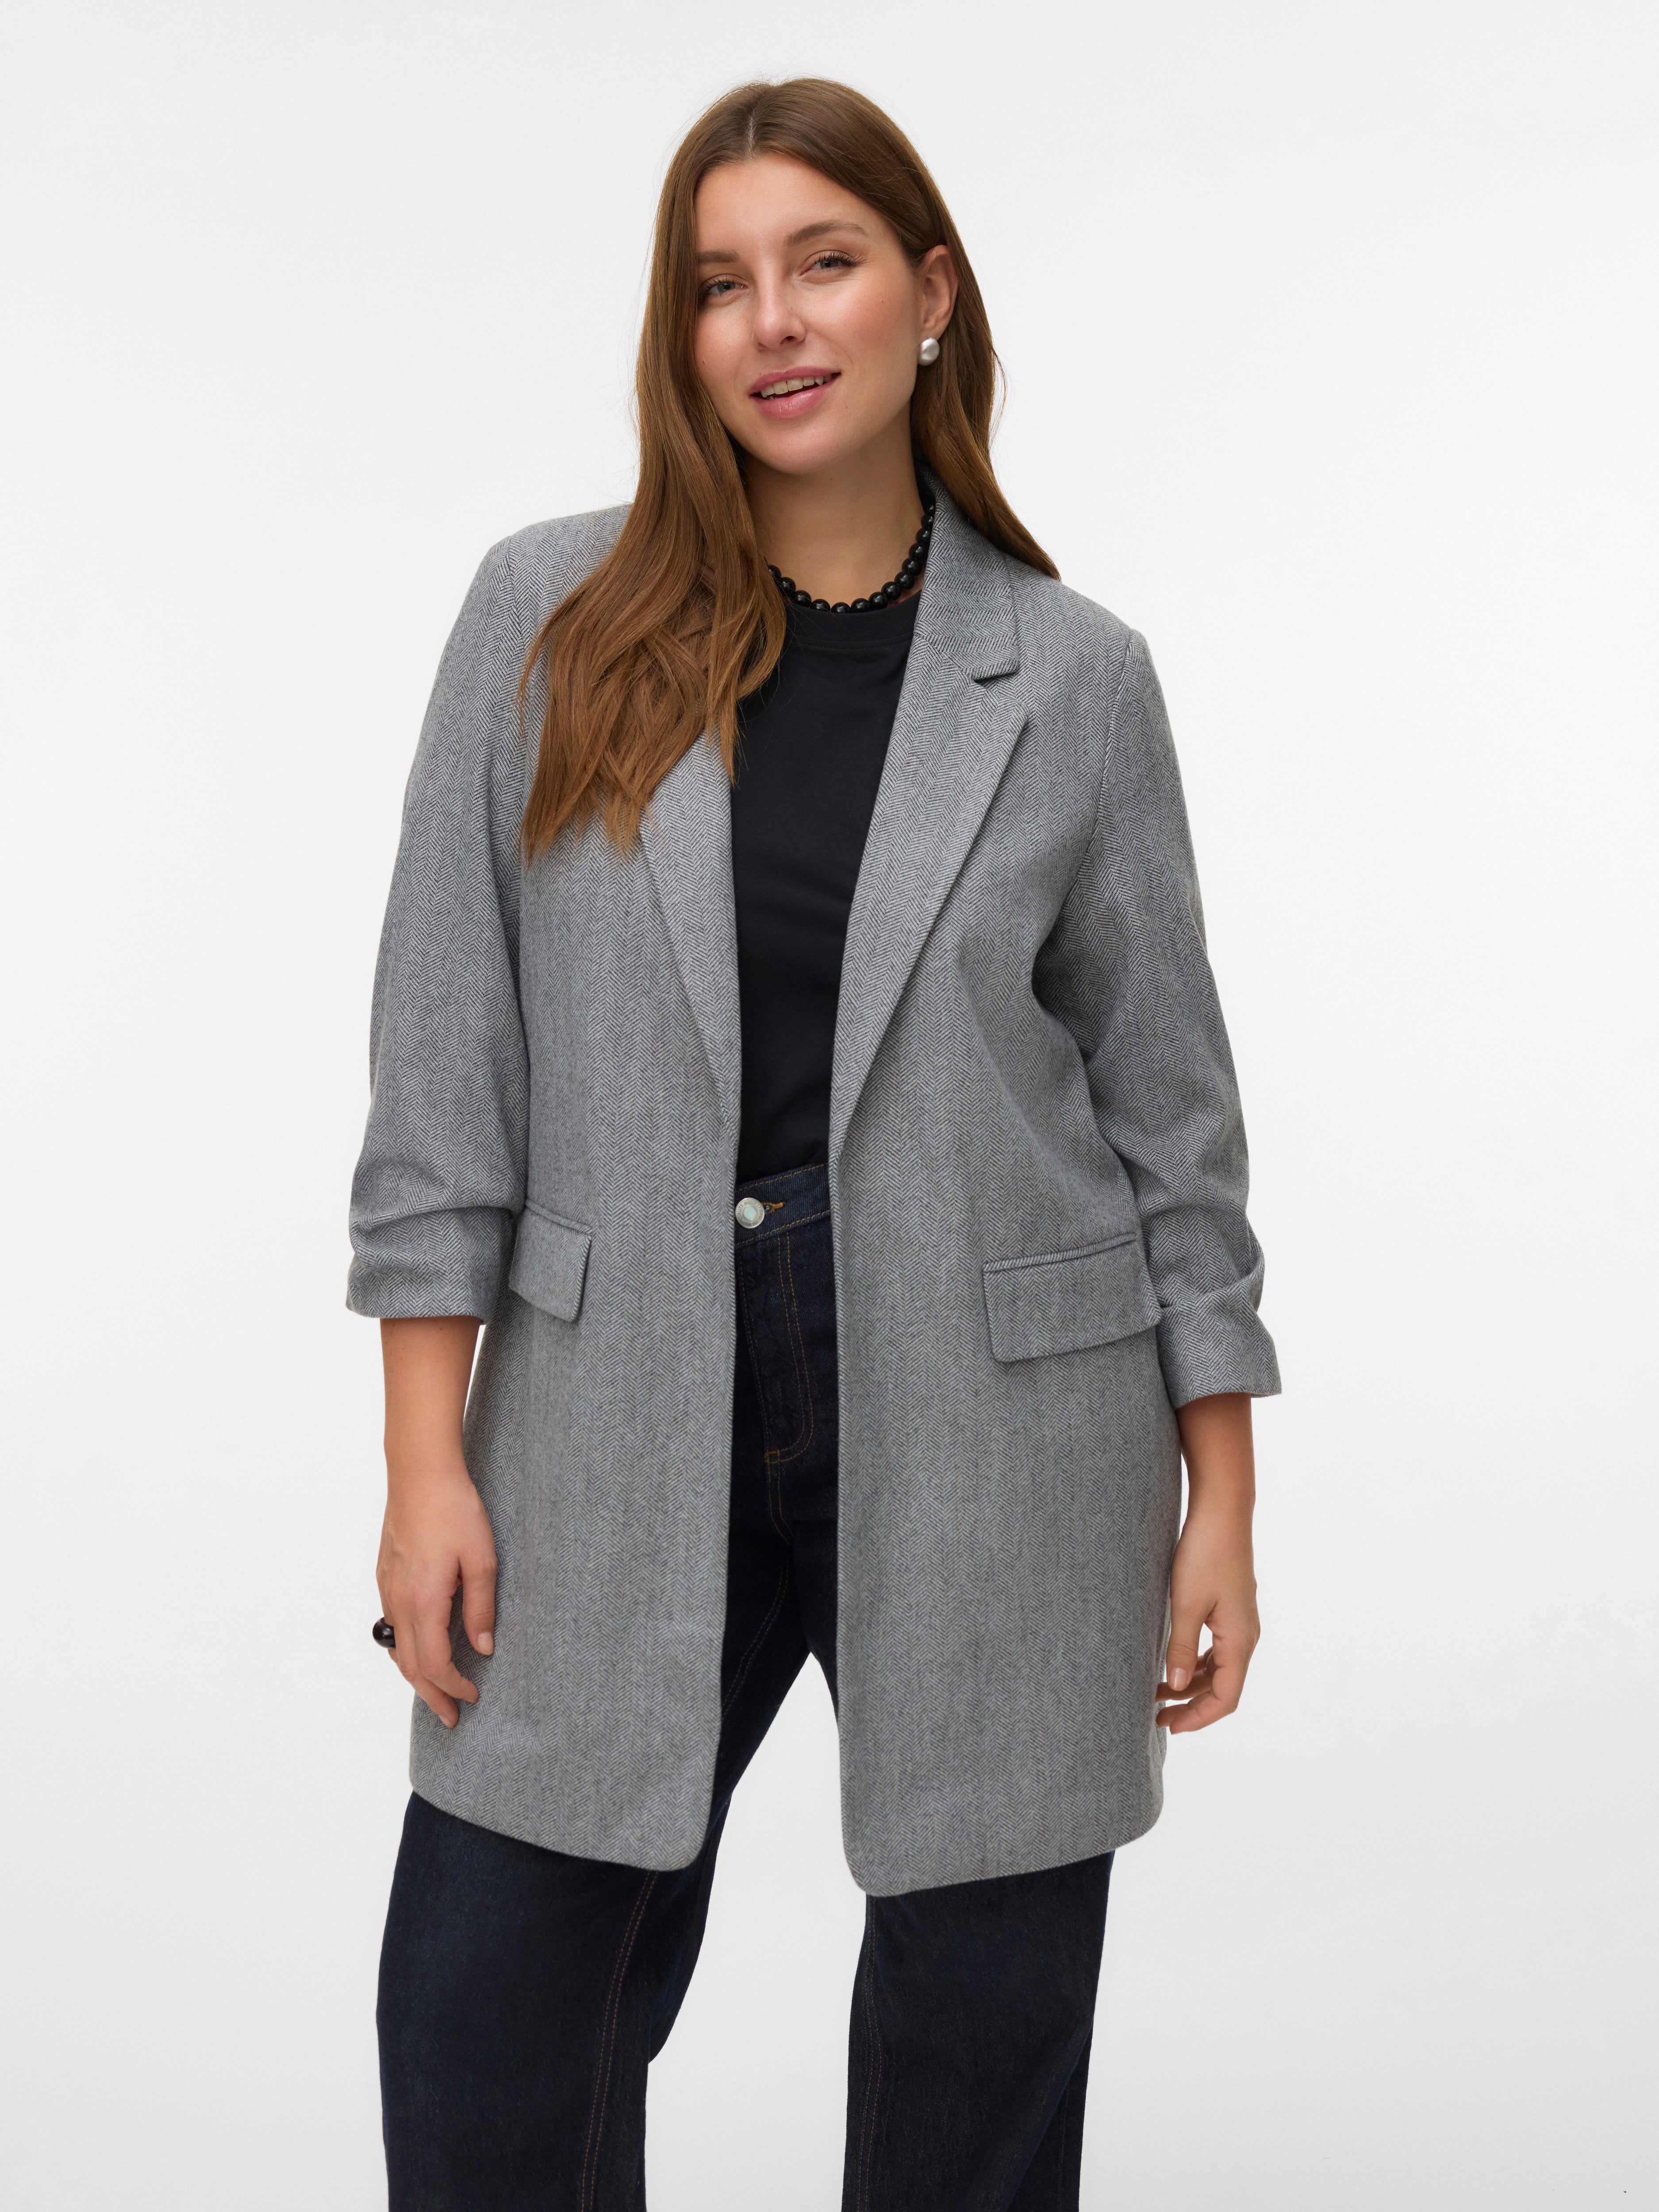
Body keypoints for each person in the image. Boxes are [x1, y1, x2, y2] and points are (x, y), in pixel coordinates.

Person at [347, 74, 1280, 2212]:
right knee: (483, 2020)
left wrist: (1219, 1490)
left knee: (976, 2066)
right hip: (609, 1396)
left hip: (1004, 1413)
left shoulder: (1073, 679)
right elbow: (442, 1066)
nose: (769, 321)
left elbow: (1170, 1117)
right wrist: (423, 1459)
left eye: (823, 261)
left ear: (929, 295)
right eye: (717, 283)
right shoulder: (547, 616)